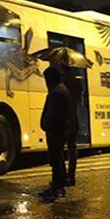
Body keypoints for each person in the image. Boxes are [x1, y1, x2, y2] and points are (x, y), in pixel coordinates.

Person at [39, 65, 71, 201]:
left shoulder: (56, 92)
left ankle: (56, 188)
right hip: (59, 129)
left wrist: (45, 124)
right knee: (58, 158)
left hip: (55, 130)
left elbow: (52, 114)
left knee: (56, 158)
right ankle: (59, 185)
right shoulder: (61, 89)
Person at [62, 65, 81, 186]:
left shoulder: (62, 85)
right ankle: (71, 174)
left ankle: (62, 176)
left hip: (65, 120)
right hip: (74, 119)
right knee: (72, 147)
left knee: (59, 149)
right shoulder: (77, 83)